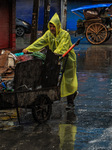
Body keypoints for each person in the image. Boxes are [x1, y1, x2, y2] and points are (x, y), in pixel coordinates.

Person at [22, 13, 78, 109]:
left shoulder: (65, 34)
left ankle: (70, 102)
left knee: (68, 81)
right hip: (54, 58)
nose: (52, 28)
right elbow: (40, 42)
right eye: (50, 26)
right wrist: (29, 49)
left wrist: (56, 53)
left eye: (54, 26)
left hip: (67, 59)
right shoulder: (48, 34)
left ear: (58, 26)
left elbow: (63, 46)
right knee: (51, 76)